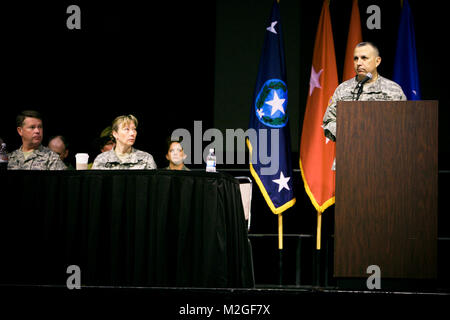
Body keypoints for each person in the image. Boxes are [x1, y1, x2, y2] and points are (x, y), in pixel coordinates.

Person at [322, 42, 407, 169]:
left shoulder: (393, 90)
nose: (359, 63)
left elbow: (405, 125)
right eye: (356, 58)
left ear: (377, 61)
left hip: (385, 161)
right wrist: (348, 132)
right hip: (349, 161)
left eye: (364, 58)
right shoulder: (343, 89)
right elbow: (329, 121)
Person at [92, 114, 157, 169]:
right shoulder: (102, 160)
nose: (132, 133)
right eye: (127, 129)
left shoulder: (145, 159)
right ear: (115, 134)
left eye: (134, 129)